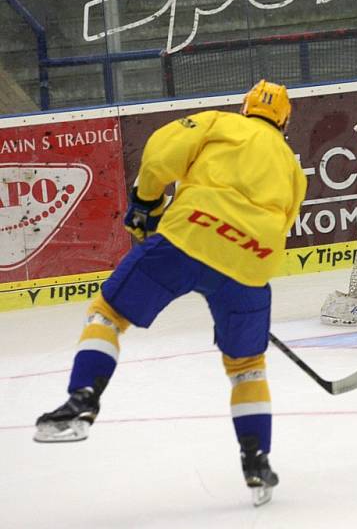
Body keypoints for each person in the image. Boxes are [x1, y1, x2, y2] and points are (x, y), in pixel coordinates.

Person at [34, 79, 307, 505]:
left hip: (189, 236)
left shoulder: (219, 123)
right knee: (247, 365)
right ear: (285, 121)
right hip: (251, 264)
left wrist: (146, 205)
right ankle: (257, 462)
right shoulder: (291, 166)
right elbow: (284, 225)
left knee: (107, 313)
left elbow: (161, 153)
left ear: (245, 107)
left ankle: (81, 401)